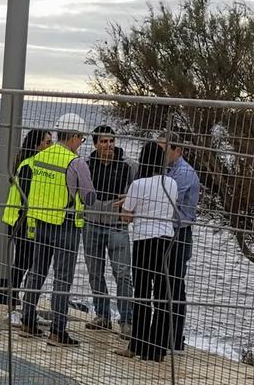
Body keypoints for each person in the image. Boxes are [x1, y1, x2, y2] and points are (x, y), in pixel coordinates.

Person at [20, 113, 96, 347]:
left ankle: (28, 320)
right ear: (73, 137)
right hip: (66, 225)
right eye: (81, 139)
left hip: (41, 223)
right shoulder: (76, 163)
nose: (80, 144)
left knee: (37, 273)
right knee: (62, 280)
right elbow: (89, 197)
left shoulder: (41, 156)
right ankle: (58, 331)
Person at [115, 141, 178, 362]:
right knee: (162, 294)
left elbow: (127, 216)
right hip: (166, 239)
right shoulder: (171, 183)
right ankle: (157, 349)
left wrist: (125, 206)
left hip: (144, 240)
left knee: (142, 292)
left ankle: (137, 344)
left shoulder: (138, 184)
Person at [83, 125, 134, 336]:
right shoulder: (86, 165)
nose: (109, 145)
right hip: (92, 224)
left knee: (122, 274)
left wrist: (129, 204)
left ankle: (127, 320)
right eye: (104, 142)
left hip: (117, 227)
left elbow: (138, 189)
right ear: (96, 144)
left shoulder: (128, 165)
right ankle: (103, 315)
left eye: (111, 141)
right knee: (95, 272)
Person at [1, 128, 52, 325]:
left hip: (31, 221)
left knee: (32, 265)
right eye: (47, 142)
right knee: (21, 264)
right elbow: (28, 198)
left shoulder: (38, 165)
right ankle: (12, 307)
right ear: (36, 145)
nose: (51, 146)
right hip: (20, 221)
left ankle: (27, 308)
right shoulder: (28, 165)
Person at [158, 132, 200, 353]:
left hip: (179, 233)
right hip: (167, 231)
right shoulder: (167, 170)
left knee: (174, 284)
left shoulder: (183, 173)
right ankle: (162, 334)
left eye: (163, 150)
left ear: (177, 151)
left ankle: (174, 339)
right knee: (164, 283)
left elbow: (167, 200)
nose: (160, 154)